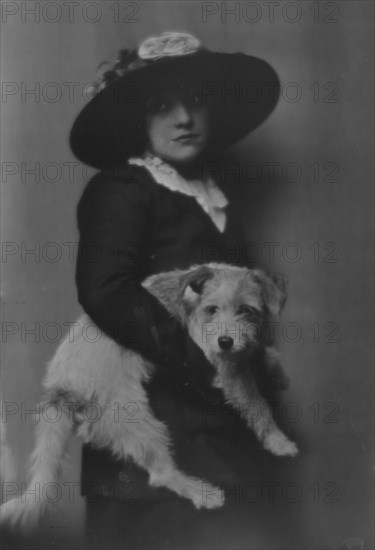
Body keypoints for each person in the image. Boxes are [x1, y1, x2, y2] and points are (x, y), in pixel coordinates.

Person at [70, 32, 297, 549]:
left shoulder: (214, 195)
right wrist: (204, 364)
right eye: (161, 106)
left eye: (195, 101)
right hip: (152, 415)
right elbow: (106, 291)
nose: (183, 118)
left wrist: (251, 359)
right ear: (138, 119)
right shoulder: (122, 189)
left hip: (220, 429)